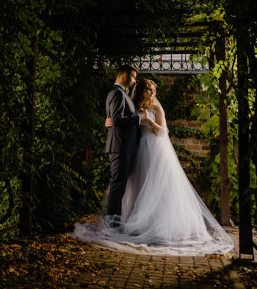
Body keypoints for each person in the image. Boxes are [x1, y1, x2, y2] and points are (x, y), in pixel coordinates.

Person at [71, 78, 234, 255]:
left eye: (154, 91)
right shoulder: (134, 107)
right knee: (139, 186)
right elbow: (124, 122)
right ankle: (137, 224)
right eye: (149, 90)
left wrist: (149, 120)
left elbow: (163, 132)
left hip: (155, 149)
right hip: (139, 149)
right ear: (141, 91)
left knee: (157, 186)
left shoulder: (156, 108)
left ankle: (159, 225)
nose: (152, 93)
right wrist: (108, 123)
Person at [104, 64, 142, 226]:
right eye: (133, 78)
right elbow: (117, 120)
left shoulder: (120, 93)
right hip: (120, 147)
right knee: (117, 185)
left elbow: (113, 120)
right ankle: (113, 225)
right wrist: (138, 117)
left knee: (119, 185)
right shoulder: (117, 93)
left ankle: (115, 223)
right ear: (125, 76)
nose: (134, 81)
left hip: (123, 146)